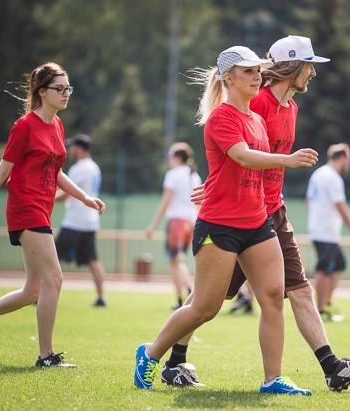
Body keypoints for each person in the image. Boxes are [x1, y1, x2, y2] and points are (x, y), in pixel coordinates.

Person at [161, 36, 350, 392]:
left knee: (298, 289)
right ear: (291, 66)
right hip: (241, 214)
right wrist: (216, 186)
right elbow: (236, 151)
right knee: (207, 300)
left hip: (271, 211)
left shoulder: (292, 108)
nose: (312, 72)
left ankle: (331, 367)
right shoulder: (257, 100)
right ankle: (171, 359)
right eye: (309, 65)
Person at [133, 45, 319, 395]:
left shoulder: (258, 119)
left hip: (257, 223)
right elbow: (243, 157)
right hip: (219, 225)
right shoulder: (221, 116)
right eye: (248, 72)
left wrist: (219, 183)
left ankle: (272, 379)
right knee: (205, 307)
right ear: (228, 78)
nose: (256, 76)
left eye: (257, 71)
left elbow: (241, 168)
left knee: (274, 295)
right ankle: (150, 352)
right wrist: (287, 160)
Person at [0, 62, 106, 368]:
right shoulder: (24, 127)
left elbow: (57, 171)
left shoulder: (58, 125)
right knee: (55, 278)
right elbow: (1, 174)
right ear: (41, 92)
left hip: (43, 210)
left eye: (68, 88)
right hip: (26, 209)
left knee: (31, 291)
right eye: (59, 89)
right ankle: (45, 356)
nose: (66, 94)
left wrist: (84, 197)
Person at [306, 143, 350, 322]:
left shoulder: (318, 174)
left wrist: (314, 220)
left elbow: (308, 200)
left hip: (320, 229)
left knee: (339, 265)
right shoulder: (333, 178)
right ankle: (320, 310)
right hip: (326, 232)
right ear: (343, 158)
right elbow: (341, 207)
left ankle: (326, 304)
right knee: (324, 268)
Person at [146, 142, 201, 310]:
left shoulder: (173, 174)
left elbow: (166, 202)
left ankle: (181, 297)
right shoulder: (194, 175)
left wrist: (153, 225)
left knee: (174, 261)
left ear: (177, 157)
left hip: (176, 221)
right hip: (191, 221)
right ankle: (188, 289)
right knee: (178, 260)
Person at [55, 133, 107, 307]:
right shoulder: (94, 167)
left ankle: (39, 294)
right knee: (92, 260)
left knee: (51, 256)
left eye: (72, 146)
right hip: (90, 221)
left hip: (75, 221)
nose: (70, 149)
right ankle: (101, 297)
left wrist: (47, 197)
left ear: (79, 148)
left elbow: (66, 192)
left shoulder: (80, 168)